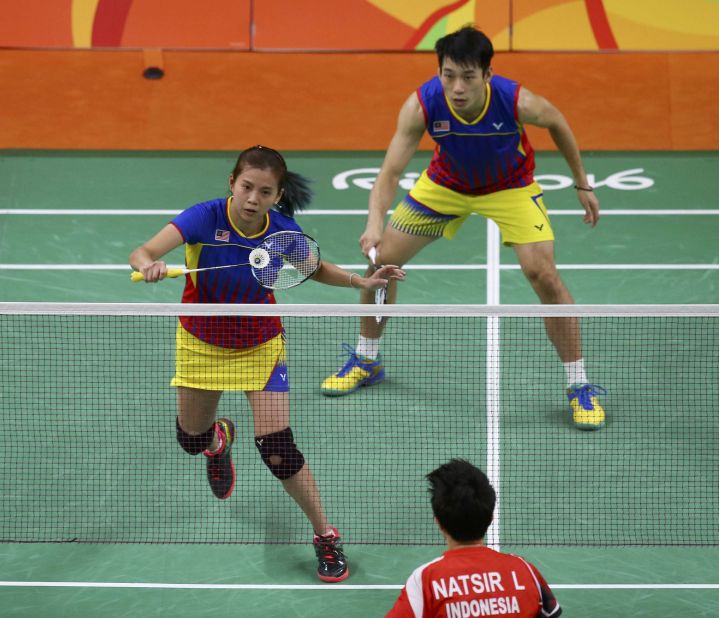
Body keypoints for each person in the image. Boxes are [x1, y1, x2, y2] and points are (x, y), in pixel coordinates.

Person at [128, 145, 405, 582]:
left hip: (260, 344)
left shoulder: (281, 230)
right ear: (232, 184)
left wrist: (360, 281)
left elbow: (312, 267)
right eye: (246, 188)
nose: (253, 198)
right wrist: (150, 265)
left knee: (277, 448)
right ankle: (218, 440)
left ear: (277, 195)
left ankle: (325, 535)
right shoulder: (204, 217)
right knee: (190, 440)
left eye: (265, 191)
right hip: (201, 342)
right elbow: (142, 250)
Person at [320, 26, 606, 430]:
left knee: (541, 273)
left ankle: (579, 384)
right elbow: (390, 171)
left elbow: (557, 122)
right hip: (446, 187)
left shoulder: (515, 100)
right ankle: (368, 359)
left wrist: (582, 183)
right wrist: (374, 222)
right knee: (381, 263)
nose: (457, 87)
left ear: (487, 76)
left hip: (511, 187)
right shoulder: (421, 105)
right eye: (449, 74)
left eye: (468, 77)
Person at [386, 459, 561, 617]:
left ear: (438, 522)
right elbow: (550, 612)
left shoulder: (426, 580)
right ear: (491, 518)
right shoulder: (524, 570)